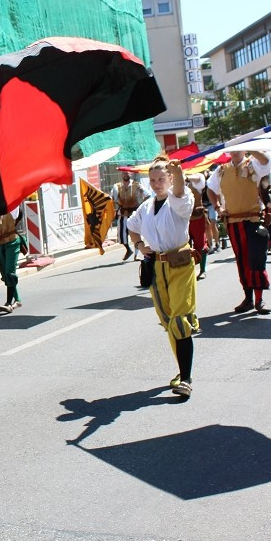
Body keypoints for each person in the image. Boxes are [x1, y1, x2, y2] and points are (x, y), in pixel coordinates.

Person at [127, 158, 197, 398]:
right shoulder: (146, 207)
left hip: (179, 264)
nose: (157, 184)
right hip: (156, 267)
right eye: (153, 180)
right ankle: (181, 371)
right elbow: (131, 226)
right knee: (169, 321)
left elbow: (179, 191)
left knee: (180, 320)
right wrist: (139, 244)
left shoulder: (179, 201)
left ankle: (186, 378)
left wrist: (178, 173)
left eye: (162, 179)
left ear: (170, 179)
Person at [207, 150, 271, 314]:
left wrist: (252, 146)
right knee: (242, 261)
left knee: (256, 259)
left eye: (240, 148)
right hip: (233, 222)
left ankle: (259, 299)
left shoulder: (254, 164)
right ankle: (248, 299)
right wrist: (218, 207)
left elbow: (266, 162)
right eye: (233, 148)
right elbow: (210, 189)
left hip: (254, 220)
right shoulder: (221, 169)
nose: (236, 152)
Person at [111, 171, 145, 260]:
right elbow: (112, 198)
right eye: (124, 173)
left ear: (131, 174)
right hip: (123, 214)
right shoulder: (116, 186)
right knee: (122, 235)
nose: (126, 175)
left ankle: (136, 255)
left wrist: (141, 205)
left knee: (136, 233)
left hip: (134, 214)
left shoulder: (137, 185)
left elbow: (147, 194)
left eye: (127, 173)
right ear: (122, 175)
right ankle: (128, 250)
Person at [185, 173, 208, 279]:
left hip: (197, 218)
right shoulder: (175, 180)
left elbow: (200, 179)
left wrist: (184, 176)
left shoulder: (197, 176)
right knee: (184, 246)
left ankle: (203, 270)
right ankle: (187, 271)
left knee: (200, 244)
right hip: (183, 219)